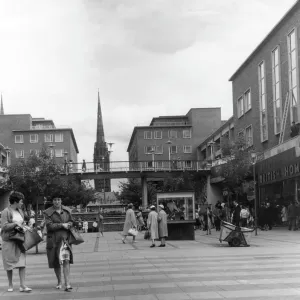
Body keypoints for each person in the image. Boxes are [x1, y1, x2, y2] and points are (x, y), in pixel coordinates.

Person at [1, 191, 32, 292]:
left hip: (19, 239)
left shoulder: (20, 211)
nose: (22, 203)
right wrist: (15, 224)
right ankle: (10, 285)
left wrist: (25, 226)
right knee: (9, 263)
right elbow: (4, 226)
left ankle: (22, 285)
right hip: (9, 240)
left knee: (22, 263)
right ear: (15, 201)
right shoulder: (6, 211)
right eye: (21, 201)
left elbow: (22, 222)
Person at [44, 196, 74, 292]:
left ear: (61, 200)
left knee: (66, 260)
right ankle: (59, 281)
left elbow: (72, 221)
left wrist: (70, 224)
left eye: (59, 199)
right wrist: (62, 225)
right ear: (52, 201)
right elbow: (49, 226)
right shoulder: (47, 212)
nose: (57, 202)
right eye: (55, 200)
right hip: (53, 240)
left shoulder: (67, 210)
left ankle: (67, 283)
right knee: (56, 261)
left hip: (65, 239)